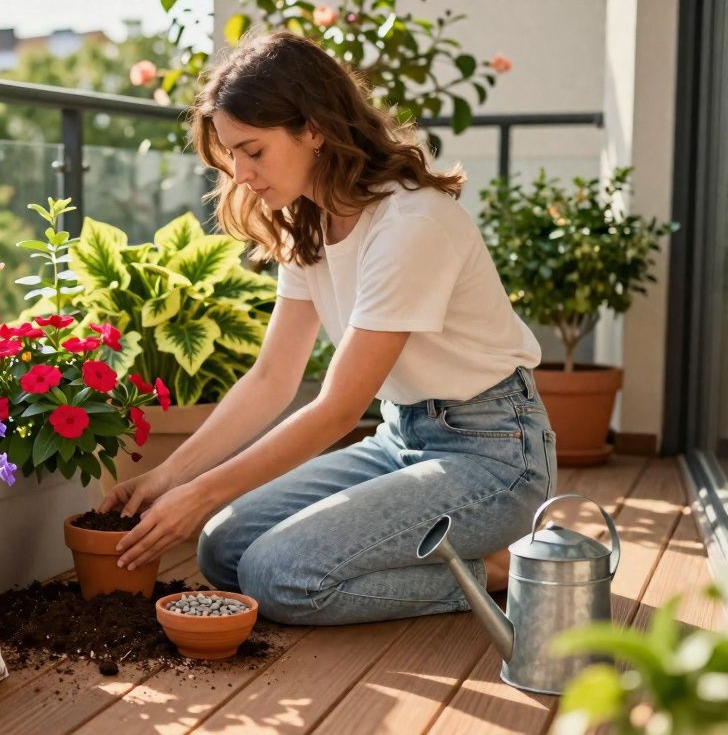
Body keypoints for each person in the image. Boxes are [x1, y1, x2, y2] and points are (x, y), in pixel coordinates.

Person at [99, 31, 557, 626]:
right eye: (232, 155)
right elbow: (272, 378)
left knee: (279, 576)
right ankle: (448, 558)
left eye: (253, 151)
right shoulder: (307, 224)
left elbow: (338, 409)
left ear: (313, 128)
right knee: (223, 548)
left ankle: (496, 570)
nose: (240, 174)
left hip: (493, 455)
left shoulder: (411, 223)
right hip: (400, 439)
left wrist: (204, 492)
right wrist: (169, 478)